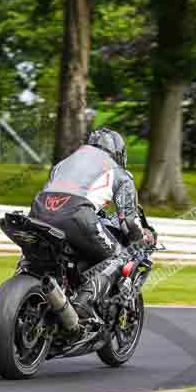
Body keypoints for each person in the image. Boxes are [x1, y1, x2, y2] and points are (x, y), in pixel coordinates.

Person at [22, 128, 156, 317]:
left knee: (37, 255)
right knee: (119, 255)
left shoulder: (65, 163)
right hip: (77, 214)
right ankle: (82, 303)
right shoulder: (118, 172)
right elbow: (128, 222)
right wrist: (141, 239)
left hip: (38, 210)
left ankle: (24, 279)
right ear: (118, 153)